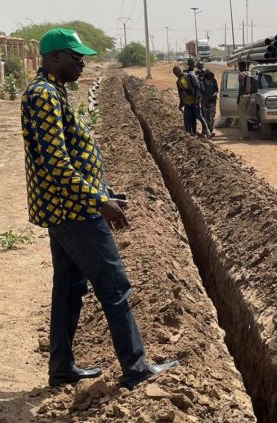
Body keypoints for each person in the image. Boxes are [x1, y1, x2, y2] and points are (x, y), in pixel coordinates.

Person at [20, 28, 178, 390]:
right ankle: (136, 368)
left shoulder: (51, 91)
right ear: (54, 57)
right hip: (75, 212)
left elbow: (72, 157)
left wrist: (103, 190)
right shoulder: (43, 95)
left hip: (68, 209)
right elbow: (55, 163)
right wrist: (97, 201)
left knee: (68, 290)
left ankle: (61, 368)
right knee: (114, 287)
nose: (81, 62)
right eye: (76, 57)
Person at [173, 65, 211, 137]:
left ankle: (207, 131)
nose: (176, 74)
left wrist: (196, 99)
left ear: (179, 70)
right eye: (174, 73)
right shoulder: (178, 82)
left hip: (195, 100)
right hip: (188, 103)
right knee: (187, 117)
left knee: (199, 116)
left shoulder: (189, 76)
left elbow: (197, 86)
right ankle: (190, 133)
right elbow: (181, 94)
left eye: (176, 72)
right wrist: (181, 105)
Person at [200, 69, 219, 135]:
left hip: (212, 102)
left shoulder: (213, 81)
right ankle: (207, 131)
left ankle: (210, 131)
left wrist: (213, 95)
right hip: (204, 102)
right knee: (205, 117)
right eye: (208, 74)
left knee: (211, 118)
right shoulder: (202, 82)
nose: (209, 76)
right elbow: (200, 92)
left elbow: (216, 90)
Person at [237, 61, 252, 139]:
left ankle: (245, 135)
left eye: (239, 66)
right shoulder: (249, 73)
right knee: (246, 116)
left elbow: (241, 87)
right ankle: (245, 133)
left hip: (243, 96)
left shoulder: (241, 75)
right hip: (249, 96)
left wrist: (238, 98)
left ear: (241, 67)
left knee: (242, 117)